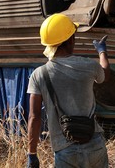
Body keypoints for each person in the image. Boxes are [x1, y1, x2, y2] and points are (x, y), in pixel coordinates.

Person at [26, 13, 110, 168]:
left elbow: (34, 116)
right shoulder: (88, 66)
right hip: (94, 145)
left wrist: (32, 154)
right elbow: (105, 73)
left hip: (64, 150)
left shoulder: (39, 75)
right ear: (71, 39)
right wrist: (102, 51)